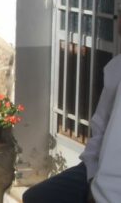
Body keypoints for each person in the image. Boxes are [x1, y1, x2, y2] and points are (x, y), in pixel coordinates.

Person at [23, 53, 121, 203]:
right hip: (95, 168)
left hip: (110, 187)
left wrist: (98, 194)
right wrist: (92, 174)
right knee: (35, 197)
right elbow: (100, 126)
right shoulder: (116, 67)